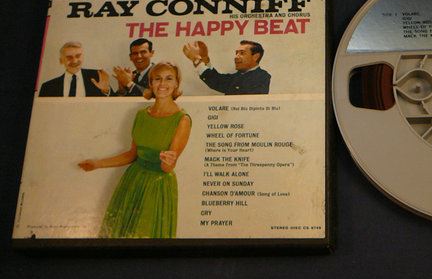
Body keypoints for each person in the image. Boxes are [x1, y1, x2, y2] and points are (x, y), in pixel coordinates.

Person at [78, 62, 191, 238]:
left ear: (176, 83)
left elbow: (168, 168)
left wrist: (168, 162)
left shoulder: (182, 120)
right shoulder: (141, 115)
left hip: (158, 186)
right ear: (150, 83)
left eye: (169, 79)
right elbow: (132, 154)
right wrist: (97, 164)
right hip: (133, 180)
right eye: (157, 79)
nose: (162, 84)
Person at [183, 40, 271, 94]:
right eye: (236, 53)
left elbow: (219, 83)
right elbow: (218, 79)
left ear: (255, 57)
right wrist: (205, 59)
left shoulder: (262, 77)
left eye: (242, 53)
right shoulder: (238, 76)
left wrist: (196, 60)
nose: (236, 57)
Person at [39, 41, 111, 97]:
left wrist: (106, 90)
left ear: (83, 57)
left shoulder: (97, 76)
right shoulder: (48, 87)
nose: (74, 61)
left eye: (78, 56)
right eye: (69, 57)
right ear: (61, 61)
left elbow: (113, 105)